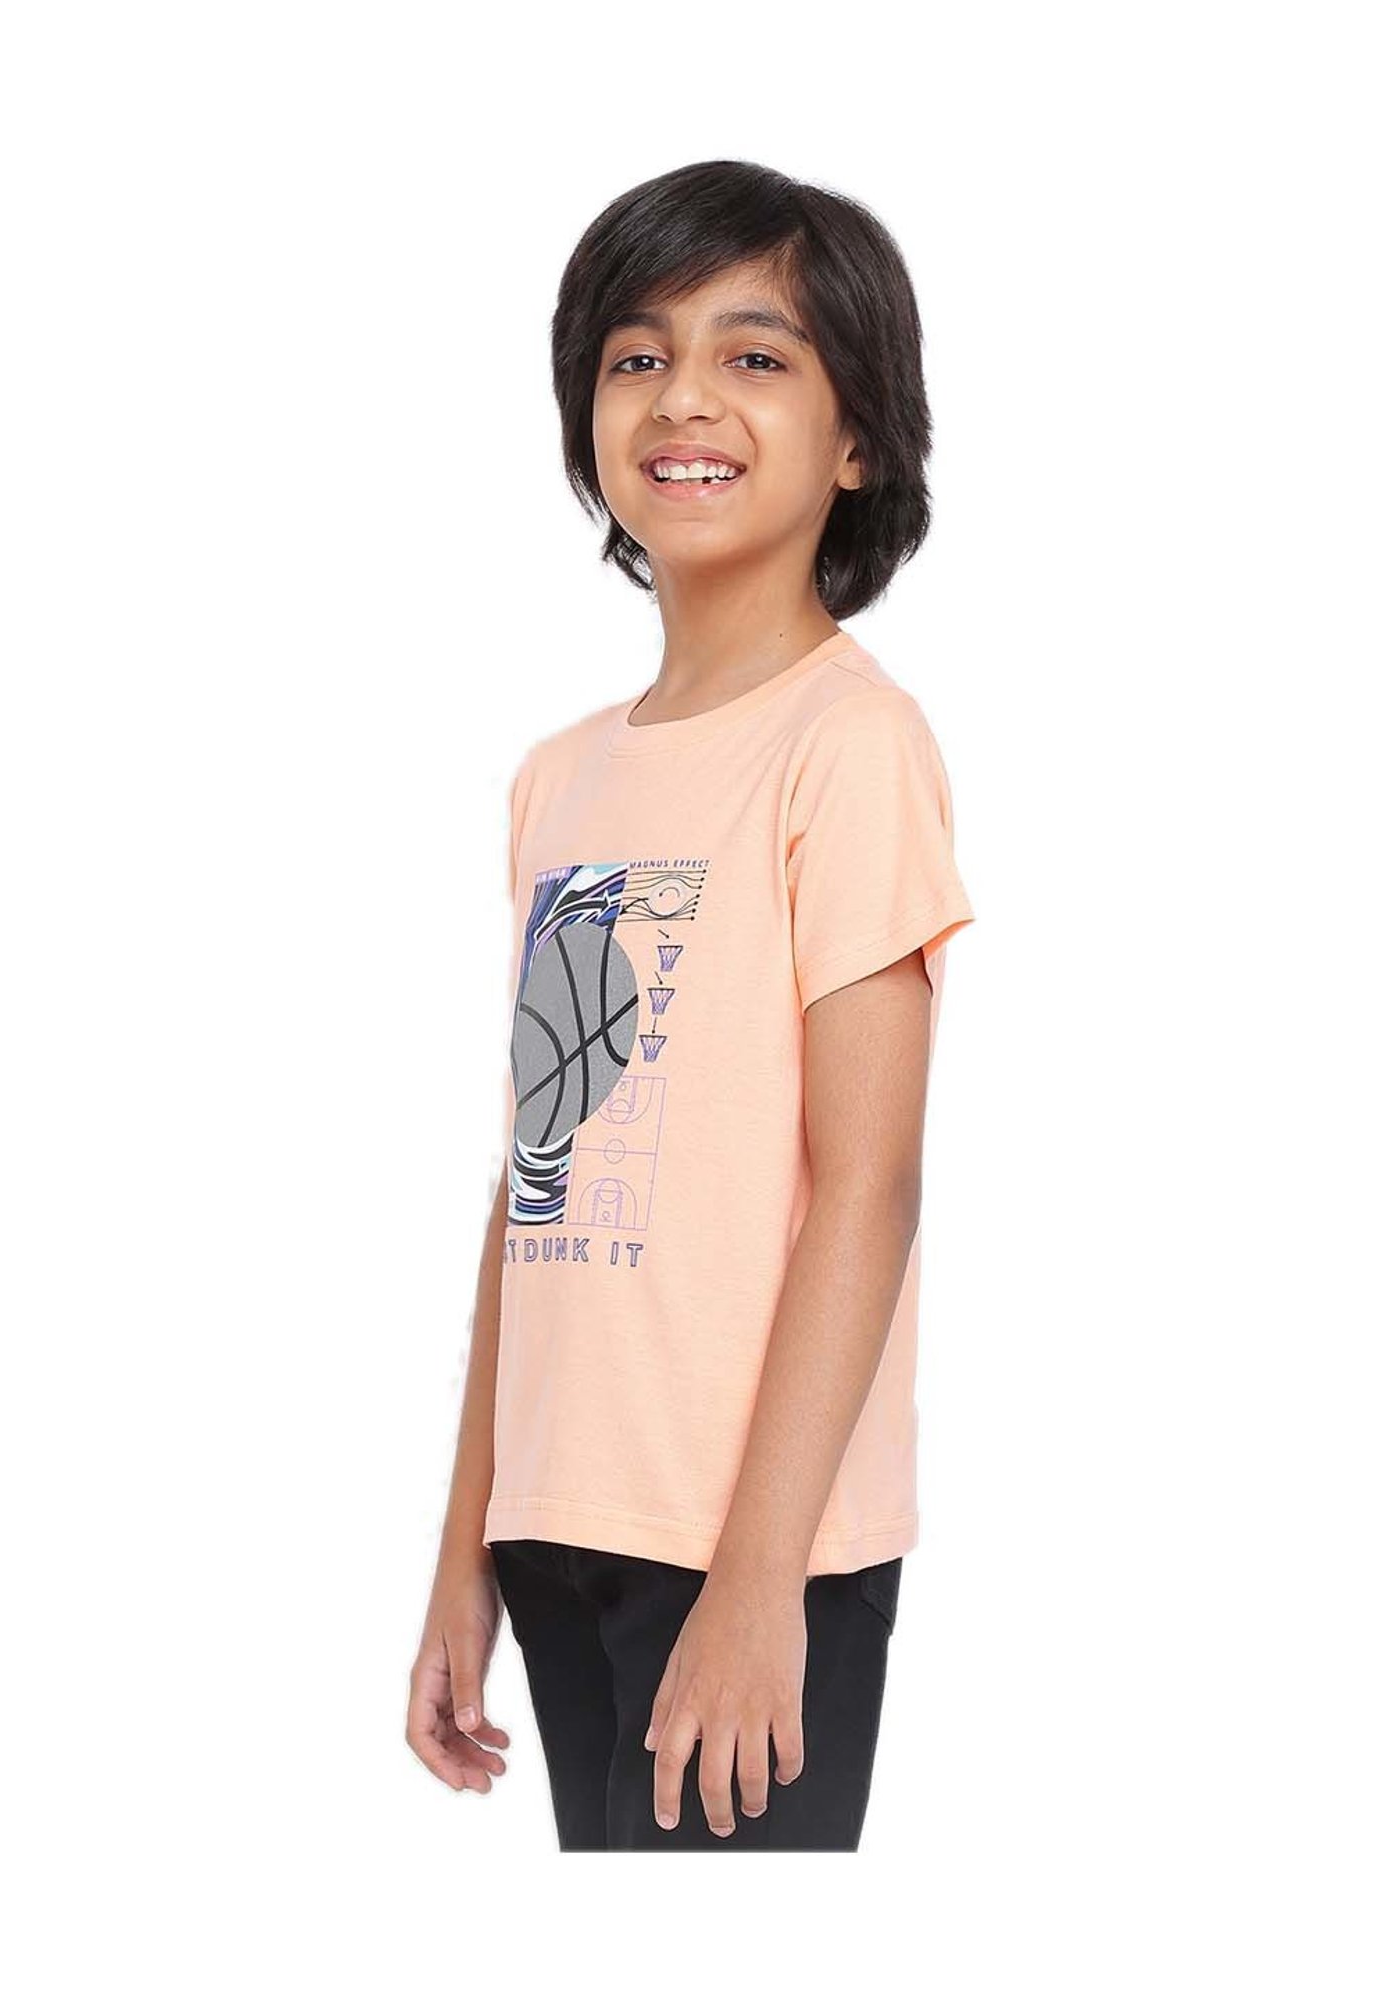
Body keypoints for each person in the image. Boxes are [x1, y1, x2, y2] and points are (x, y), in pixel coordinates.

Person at [407, 159, 975, 1850]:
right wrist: (465, 1549)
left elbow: (868, 1185)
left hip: (749, 1553)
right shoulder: (560, 779)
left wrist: (758, 1582)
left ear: (856, 439)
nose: (684, 399)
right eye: (638, 357)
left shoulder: (849, 747)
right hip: (558, 1527)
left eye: (757, 355)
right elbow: (538, 1179)